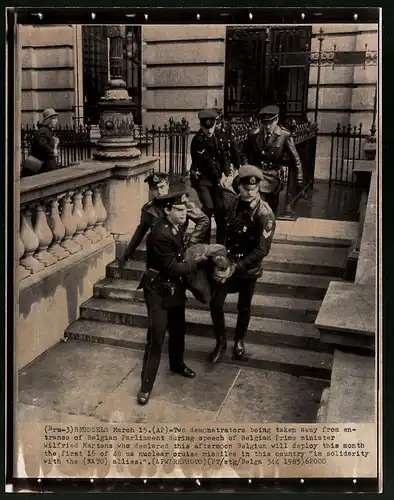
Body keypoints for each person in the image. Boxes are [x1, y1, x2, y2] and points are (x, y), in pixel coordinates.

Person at [137, 191, 208, 405]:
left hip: (174, 288)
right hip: (158, 290)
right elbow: (175, 268)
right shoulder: (160, 235)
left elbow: (203, 220)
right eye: (179, 209)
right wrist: (198, 260)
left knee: (178, 329)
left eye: (186, 209)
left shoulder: (178, 225)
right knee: (156, 338)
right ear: (167, 210)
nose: (184, 213)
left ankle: (177, 364)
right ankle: (145, 387)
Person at [209, 165, 276, 364]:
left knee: (244, 307)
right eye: (245, 188)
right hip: (228, 263)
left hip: (248, 268)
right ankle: (220, 342)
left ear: (258, 188)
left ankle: (239, 341)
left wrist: (237, 267)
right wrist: (220, 257)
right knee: (215, 303)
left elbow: (262, 250)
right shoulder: (232, 204)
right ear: (238, 186)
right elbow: (224, 231)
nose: (249, 192)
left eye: (253, 189)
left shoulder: (265, 214)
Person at [119, 171, 209, 264]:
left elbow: (203, 219)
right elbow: (140, 232)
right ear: (150, 190)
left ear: (167, 185)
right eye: (155, 188)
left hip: (179, 251)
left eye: (162, 187)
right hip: (158, 255)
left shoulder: (180, 202)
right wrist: (127, 254)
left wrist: (192, 242)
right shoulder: (148, 210)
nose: (159, 192)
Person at [241, 105, 304, 215]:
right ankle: (257, 230)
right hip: (258, 175)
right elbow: (244, 154)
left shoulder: (284, 135)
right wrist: (247, 170)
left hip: (274, 175)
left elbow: (295, 158)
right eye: (265, 123)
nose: (268, 126)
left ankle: (268, 228)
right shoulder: (254, 134)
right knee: (257, 206)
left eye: (271, 122)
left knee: (271, 208)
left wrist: (299, 177)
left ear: (277, 120)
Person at [190, 109, 231, 245]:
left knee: (221, 209)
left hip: (216, 177)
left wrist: (227, 174)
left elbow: (223, 156)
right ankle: (204, 242)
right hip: (202, 178)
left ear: (215, 124)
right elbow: (209, 162)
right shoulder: (198, 141)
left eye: (211, 127)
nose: (209, 130)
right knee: (208, 206)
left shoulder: (218, 136)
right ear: (201, 126)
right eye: (206, 127)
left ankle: (221, 245)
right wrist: (219, 179)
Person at [22, 108, 60, 177]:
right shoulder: (43, 131)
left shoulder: (45, 130)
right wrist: (53, 152)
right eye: (54, 119)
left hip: (44, 166)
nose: (57, 121)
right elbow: (42, 144)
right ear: (49, 120)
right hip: (43, 167)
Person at [212, 107, 241, 177]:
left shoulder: (227, 127)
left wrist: (238, 164)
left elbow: (233, 146)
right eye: (216, 124)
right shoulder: (208, 131)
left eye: (219, 123)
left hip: (226, 160)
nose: (217, 126)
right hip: (214, 162)